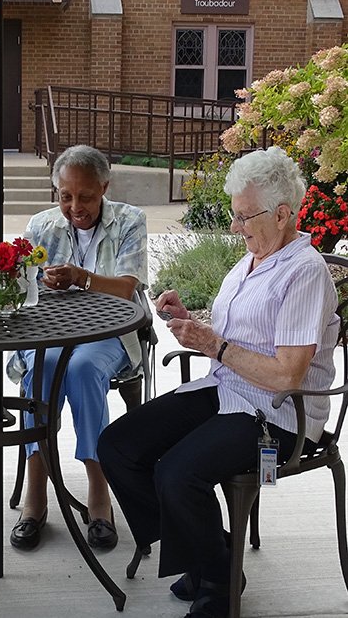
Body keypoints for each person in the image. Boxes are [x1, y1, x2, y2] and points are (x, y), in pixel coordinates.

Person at [98, 146, 339, 618]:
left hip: (278, 413)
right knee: (119, 446)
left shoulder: (304, 273)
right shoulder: (254, 258)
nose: (235, 226)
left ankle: (217, 581)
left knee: (177, 473)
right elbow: (241, 335)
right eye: (236, 215)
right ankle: (216, 556)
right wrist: (191, 323)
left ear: (284, 214)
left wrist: (215, 347)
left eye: (246, 217)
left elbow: (287, 375)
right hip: (227, 388)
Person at [7, 144, 148, 551]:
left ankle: (98, 490)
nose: (75, 206)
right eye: (65, 196)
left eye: (85, 196)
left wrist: (81, 278)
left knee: (83, 367)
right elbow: (20, 286)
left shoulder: (129, 222)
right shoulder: (41, 225)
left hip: (111, 333)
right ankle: (36, 493)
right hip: (50, 332)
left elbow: (126, 288)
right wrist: (32, 281)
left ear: (104, 187)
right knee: (43, 368)